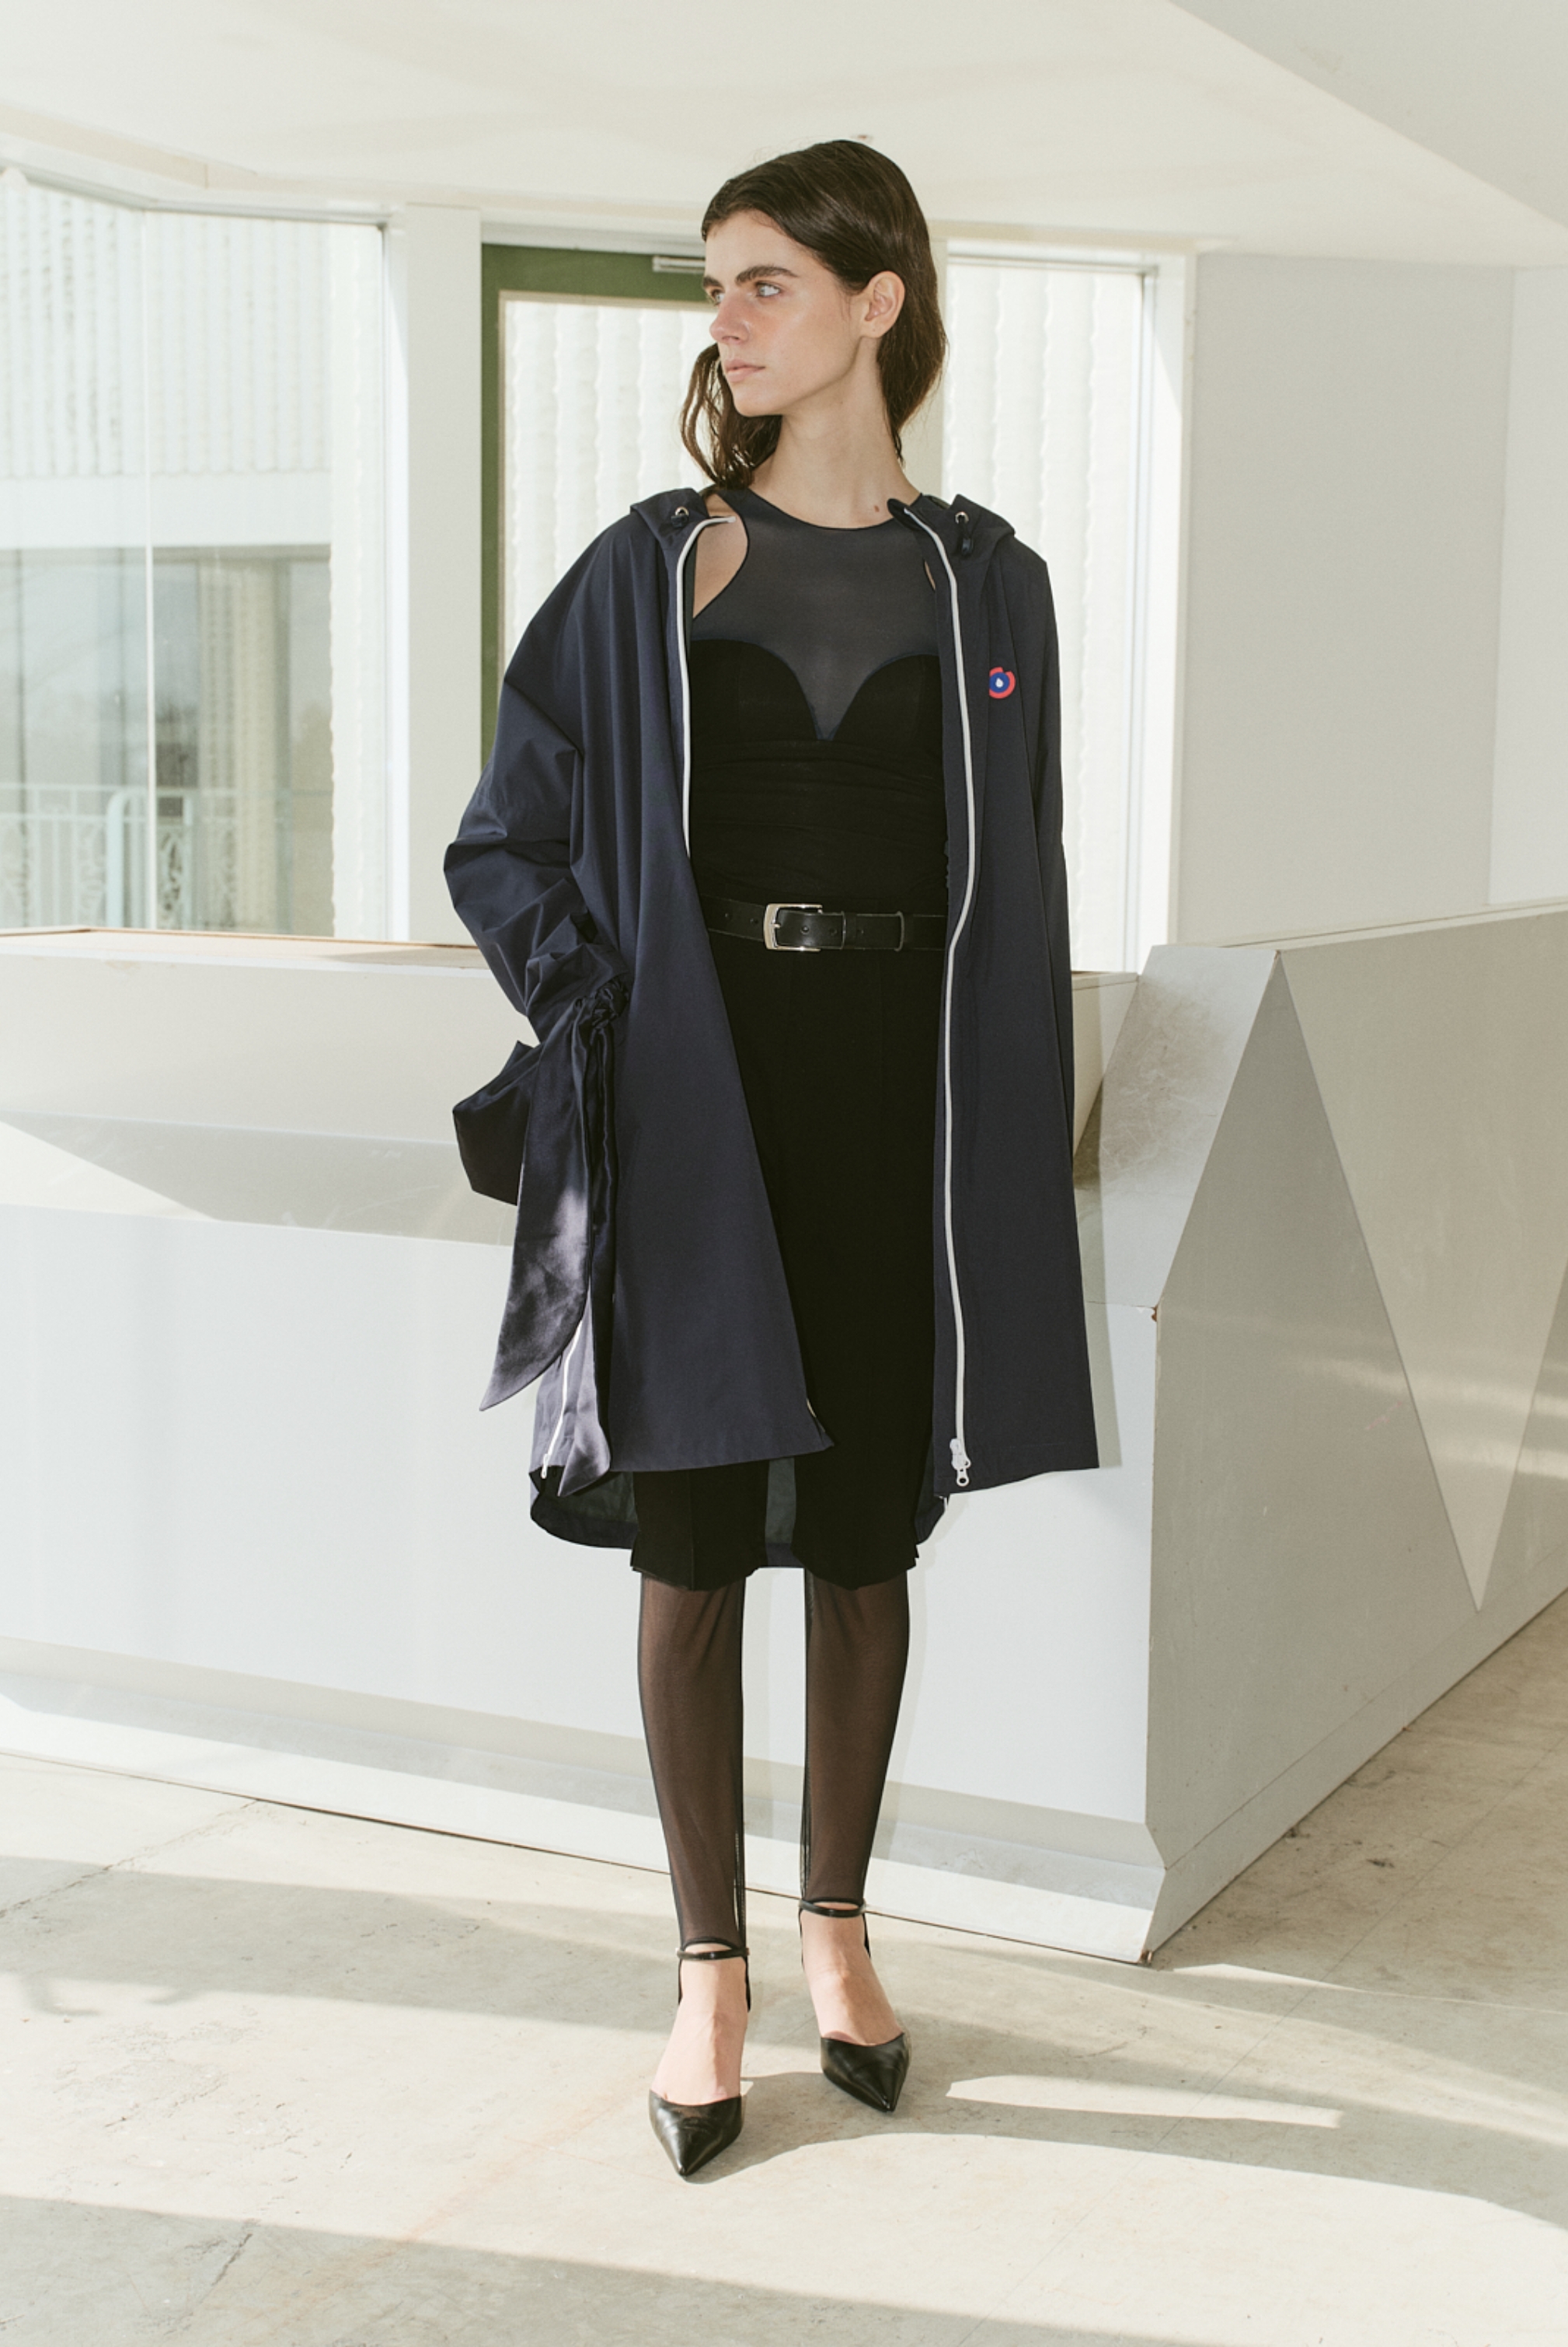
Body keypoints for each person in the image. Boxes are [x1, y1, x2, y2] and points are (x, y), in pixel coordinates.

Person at [445, 139, 1096, 2181]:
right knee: (694, 1543)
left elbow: (1026, 872)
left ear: (875, 302)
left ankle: (839, 1934)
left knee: (870, 1538)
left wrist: (1025, 1117)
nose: (722, 321)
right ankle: (706, 1971)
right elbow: (505, 836)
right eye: (713, 285)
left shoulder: (986, 585)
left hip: (899, 1108)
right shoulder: (652, 567)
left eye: (762, 283)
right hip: (699, 1103)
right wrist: (595, 1008)